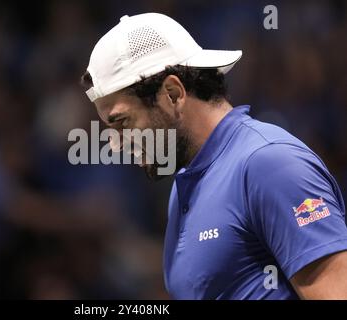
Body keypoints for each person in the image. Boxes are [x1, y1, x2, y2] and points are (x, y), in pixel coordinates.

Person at [80, 12, 347, 299]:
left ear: (172, 93)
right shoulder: (185, 181)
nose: (116, 144)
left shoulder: (269, 165)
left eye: (122, 122)